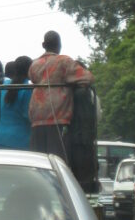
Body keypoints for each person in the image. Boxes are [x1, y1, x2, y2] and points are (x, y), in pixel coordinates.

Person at [28, 30, 94, 161]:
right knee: (58, 160)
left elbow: (32, 77)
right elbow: (88, 78)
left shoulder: (34, 64)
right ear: (59, 45)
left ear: (43, 45)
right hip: (57, 118)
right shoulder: (64, 61)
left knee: (38, 160)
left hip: (37, 118)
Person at [0, 55, 33, 150]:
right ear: (30, 70)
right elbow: (28, 115)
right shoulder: (27, 89)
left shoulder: (5, 85)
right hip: (20, 139)